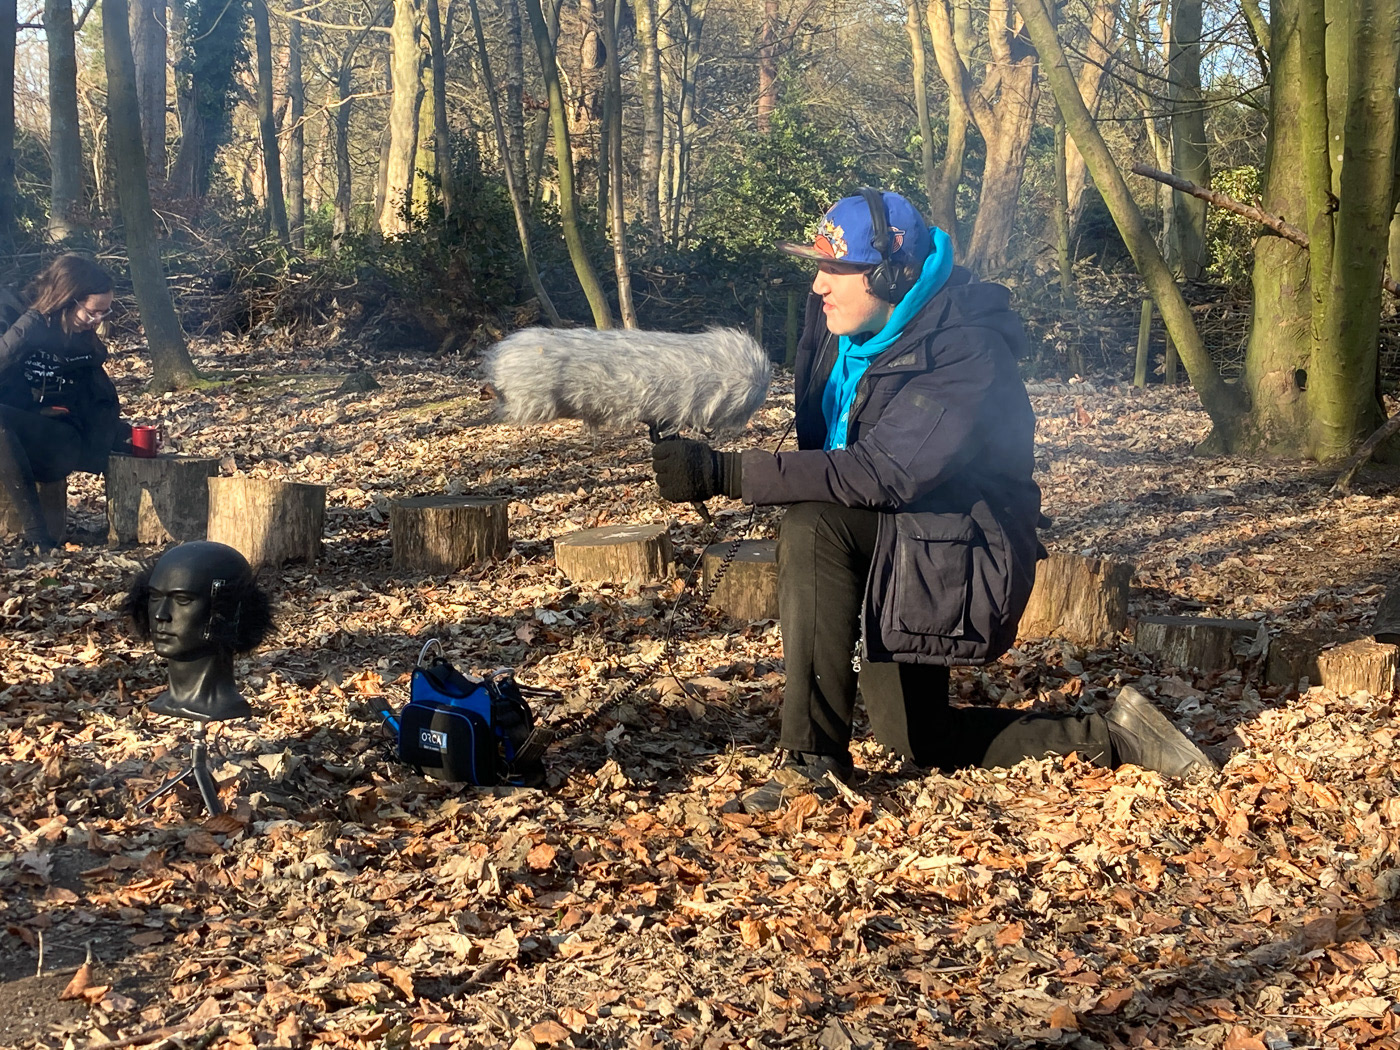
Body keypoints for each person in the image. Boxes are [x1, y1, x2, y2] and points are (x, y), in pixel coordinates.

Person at [652, 189, 1216, 812]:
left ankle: (811, 763)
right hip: (895, 533)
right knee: (918, 738)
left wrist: (724, 474)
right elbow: (832, 450)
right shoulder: (838, 325)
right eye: (818, 267)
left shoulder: (965, 349)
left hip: (958, 552)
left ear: (892, 274)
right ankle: (1115, 737)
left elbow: (884, 471)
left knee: (813, 526)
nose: (817, 286)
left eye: (836, 270)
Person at [0, 254, 125, 552]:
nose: (97, 321)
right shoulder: (28, 323)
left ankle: (37, 538)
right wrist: (29, 328)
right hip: (20, 434)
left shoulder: (84, 345)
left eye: (104, 313)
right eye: (93, 312)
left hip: (61, 440)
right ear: (68, 300)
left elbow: (100, 405)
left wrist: (126, 437)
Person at [123, 541, 274, 722]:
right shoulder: (155, 704)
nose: (161, 615)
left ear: (228, 609)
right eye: (155, 596)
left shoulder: (225, 707)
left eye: (182, 600)